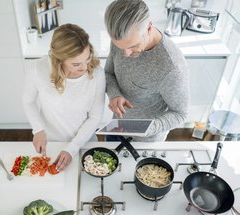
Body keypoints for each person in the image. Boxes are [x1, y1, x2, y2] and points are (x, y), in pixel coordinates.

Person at [22, 23, 105, 171]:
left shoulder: (97, 73)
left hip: (84, 144)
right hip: (51, 144)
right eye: (76, 64)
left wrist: (72, 148)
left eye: (87, 58)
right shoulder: (38, 69)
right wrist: (38, 129)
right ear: (59, 60)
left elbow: (95, 116)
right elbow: (28, 101)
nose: (85, 67)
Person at [104, 0, 189, 142]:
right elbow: (108, 73)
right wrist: (114, 95)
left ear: (149, 27)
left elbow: (180, 114)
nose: (125, 54)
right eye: (120, 46)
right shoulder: (121, 38)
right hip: (117, 126)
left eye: (133, 46)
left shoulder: (172, 67)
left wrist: (145, 128)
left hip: (146, 140)